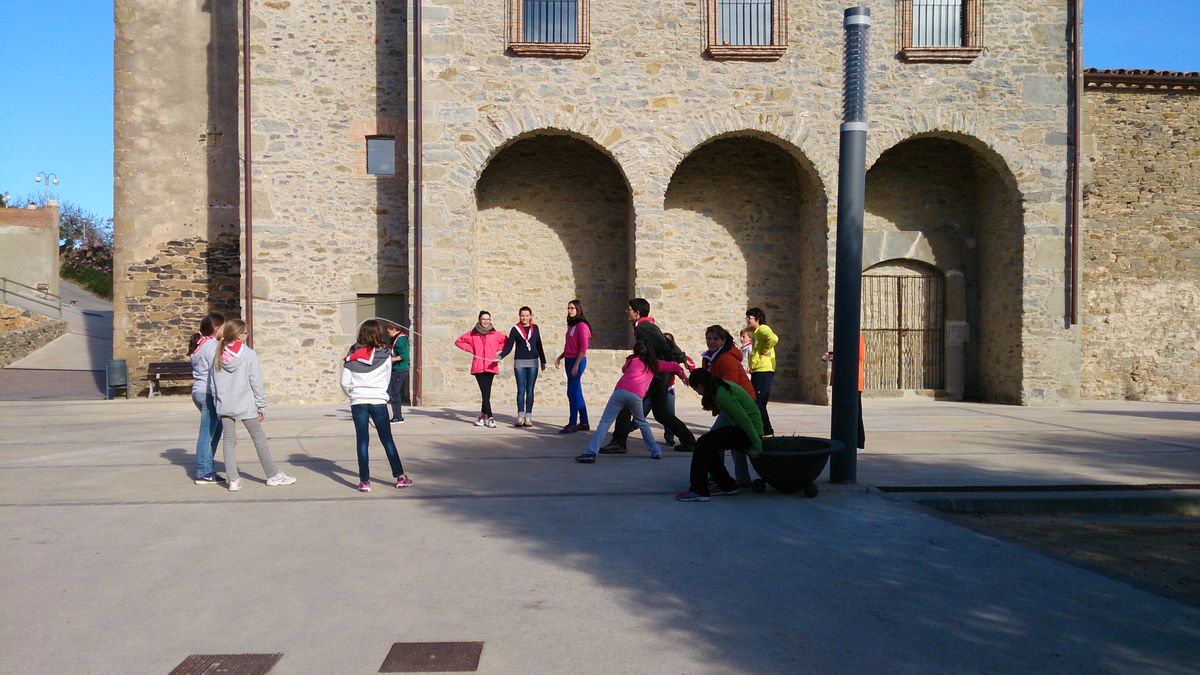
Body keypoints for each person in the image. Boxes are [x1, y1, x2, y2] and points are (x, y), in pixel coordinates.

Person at [599, 298, 697, 454]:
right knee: (660, 413)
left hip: (657, 374)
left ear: (637, 313)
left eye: (629, 309)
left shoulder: (644, 327)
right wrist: (680, 359)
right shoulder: (645, 326)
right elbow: (665, 342)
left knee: (626, 404)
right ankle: (689, 441)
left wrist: (678, 361)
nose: (626, 312)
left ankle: (619, 442)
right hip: (661, 374)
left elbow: (663, 346)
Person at [210, 319, 296, 492]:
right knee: (258, 438)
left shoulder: (218, 353)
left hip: (225, 405)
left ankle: (233, 479)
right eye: (246, 333)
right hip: (246, 404)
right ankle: (272, 475)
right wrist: (260, 404)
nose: (248, 335)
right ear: (239, 335)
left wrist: (217, 403)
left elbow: (213, 383)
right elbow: (255, 381)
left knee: (228, 441)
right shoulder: (248, 354)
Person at [575, 339, 687, 463]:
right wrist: (683, 375)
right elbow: (675, 366)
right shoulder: (654, 364)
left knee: (605, 422)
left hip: (619, 392)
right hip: (636, 395)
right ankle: (656, 451)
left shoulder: (632, 360)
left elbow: (624, 370)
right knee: (642, 422)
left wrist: (630, 361)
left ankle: (591, 452)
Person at [341, 320, 414, 492]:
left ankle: (365, 482)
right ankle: (400, 478)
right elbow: (387, 377)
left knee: (362, 441)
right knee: (387, 439)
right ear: (377, 334)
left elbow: (345, 382)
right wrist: (380, 393)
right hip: (378, 401)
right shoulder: (386, 354)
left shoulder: (352, 354)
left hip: (358, 402)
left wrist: (353, 395)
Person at [675, 368, 763, 502]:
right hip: (743, 430)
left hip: (749, 431)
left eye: (696, 390)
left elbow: (744, 419)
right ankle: (726, 485)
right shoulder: (720, 387)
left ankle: (698, 490)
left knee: (703, 443)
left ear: (701, 386)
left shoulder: (723, 394)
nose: (698, 393)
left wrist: (757, 445)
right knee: (708, 444)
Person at [700, 324, 757, 486]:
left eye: (715, 339)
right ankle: (743, 479)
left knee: (715, 438)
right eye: (709, 338)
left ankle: (719, 474)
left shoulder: (726, 359)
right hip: (730, 403)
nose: (711, 342)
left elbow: (729, 388)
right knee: (734, 441)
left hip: (738, 403)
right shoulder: (711, 357)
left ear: (723, 340)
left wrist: (719, 405)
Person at [188, 312, 225, 484]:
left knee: (216, 430)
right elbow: (216, 371)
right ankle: (203, 471)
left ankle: (207, 466)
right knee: (207, 433)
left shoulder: (200, 344)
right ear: (216, 328)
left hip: (198, 391)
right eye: (223, 326)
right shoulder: (212, 346)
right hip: (208, 392)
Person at [455, 310, 507, 428]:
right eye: (483, 319)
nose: (486, 321)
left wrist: (496, 349)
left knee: (486, 393)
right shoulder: (472, 334)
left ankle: (481, 417)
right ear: (479, 320)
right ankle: (491, 417)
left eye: (488, 319)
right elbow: (458, 342)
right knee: (485, 392)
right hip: (478, 366)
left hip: (490, 365)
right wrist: (471, 349)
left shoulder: (495, 334)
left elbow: (506, 342)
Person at [498, 306, 547, 428]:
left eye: (527, 315)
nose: (524, 318)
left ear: (531, 316)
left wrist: (543, 361)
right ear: (519, 316)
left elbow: (539, 344)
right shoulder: (515, 329)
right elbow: (509, 347)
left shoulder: (535, 328)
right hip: (519, 362)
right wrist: (500, 357)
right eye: (522, 315)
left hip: (533, 362)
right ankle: (520, 417)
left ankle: (528, 417)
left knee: (530, 390)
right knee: (521, 390)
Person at [823, 333, 867, 449]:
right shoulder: (844, 337)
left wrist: (837, 357)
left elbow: (859, 357)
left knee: (855, 412)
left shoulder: (857, 337)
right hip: (841, 381)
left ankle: (859, 442)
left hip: (853, 381)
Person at [554, 299, 591, 434]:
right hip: (569, 359)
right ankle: (585, 422)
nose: (569, 310)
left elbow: (583, 347)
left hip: (577, 361)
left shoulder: (582, 326)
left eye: (572, 308)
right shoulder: (572, 325)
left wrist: (576, 365)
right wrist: (561, 356)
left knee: (572, 392)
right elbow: (571, 346)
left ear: (578, 310)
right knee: (577, 392)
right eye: (568, 308)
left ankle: (572, 423)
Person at [745, 307, 779, 437]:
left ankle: (767, 430)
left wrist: (765, 349)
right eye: (747, 317)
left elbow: (774, 339)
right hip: (759, 370)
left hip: (764, 370)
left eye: (750, 317)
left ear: (757, 319)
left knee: (759, 402)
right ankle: (761, 428)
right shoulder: (757, 332)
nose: (747, 320)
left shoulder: (763, 329)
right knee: (757, 401)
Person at [386, 323, 410, 424]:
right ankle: (397, 416)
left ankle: (398, 416)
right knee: (392, 391)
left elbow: (404, 355)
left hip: (400, 369)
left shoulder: (400, 340)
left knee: (394, 392)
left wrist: (390, 360)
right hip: (397, 369)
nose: (388, 333)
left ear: (394, 330)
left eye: (389, 331)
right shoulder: (398, 338)